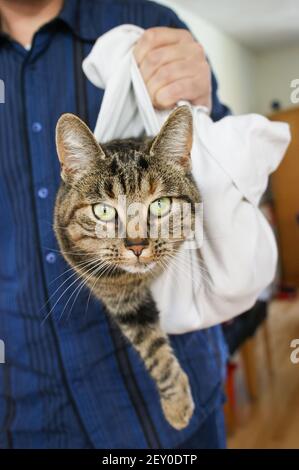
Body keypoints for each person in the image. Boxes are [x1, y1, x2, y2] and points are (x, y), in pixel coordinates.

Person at [0, 0, 230, 449]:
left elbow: (233, 170)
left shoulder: (147, 23)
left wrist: (202, 106)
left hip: (173, 413)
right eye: (108, 214)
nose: (137, 242)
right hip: (26, 408)